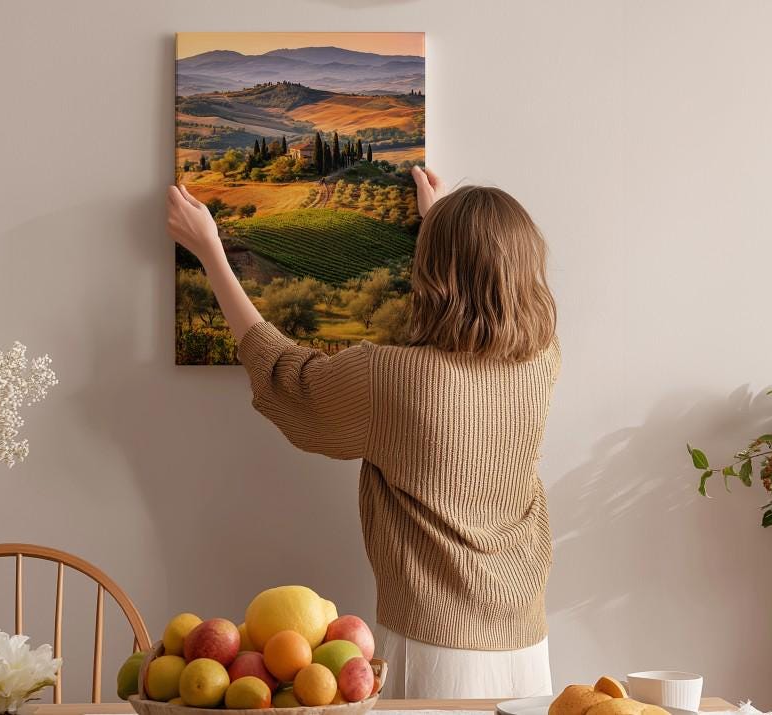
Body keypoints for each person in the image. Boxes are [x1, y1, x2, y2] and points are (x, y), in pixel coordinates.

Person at [166, 166, 560, 699]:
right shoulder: (542, 360)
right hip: (527, 644)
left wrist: (210, 250)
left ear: (432, 271)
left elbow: (286, 374)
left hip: (434, 645)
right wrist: (440, 224)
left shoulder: (391, 376)